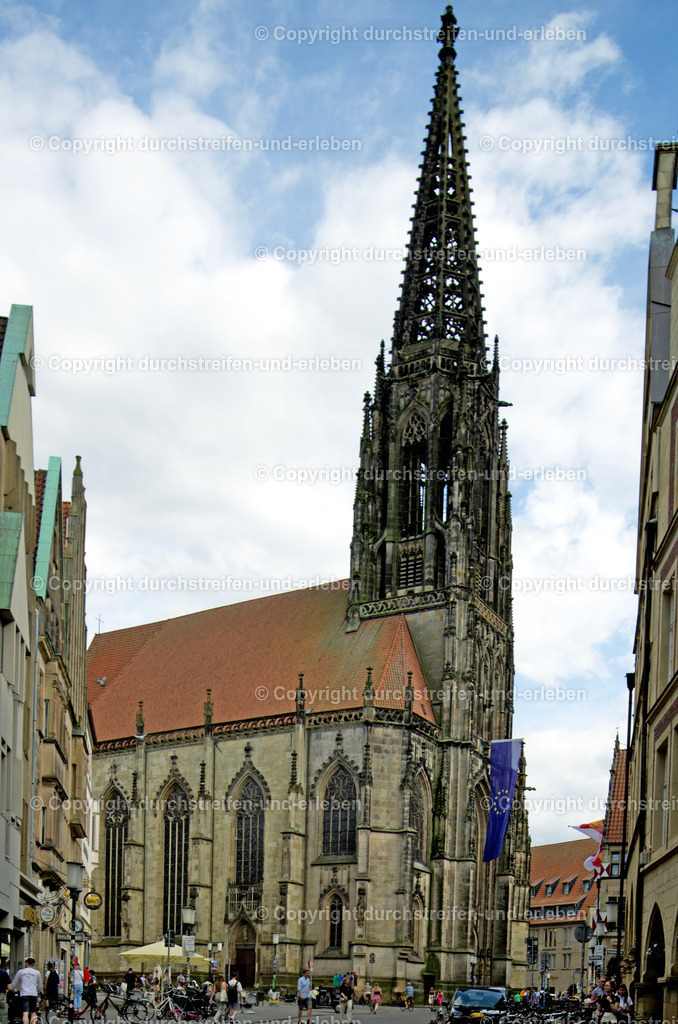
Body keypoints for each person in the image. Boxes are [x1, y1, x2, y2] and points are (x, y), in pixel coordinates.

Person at [12, 957, 42, 1024]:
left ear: (26, 963)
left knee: (25, 1013)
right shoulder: (37, 973)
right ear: (33, 964)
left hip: (24, 994)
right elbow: (40, 985)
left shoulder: (21, 972)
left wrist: (14, 990)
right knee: (33, 1012)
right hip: (33, 994)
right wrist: (37, 991)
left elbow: (14, 983)